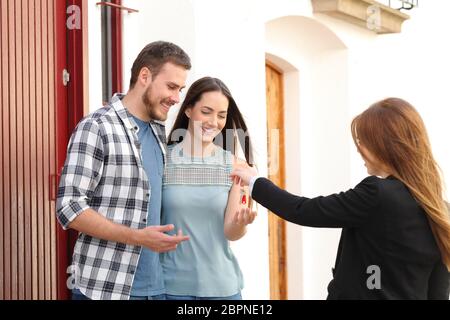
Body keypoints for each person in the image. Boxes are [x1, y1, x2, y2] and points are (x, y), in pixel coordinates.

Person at [231, 98, 450, 299]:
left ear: (384, 145)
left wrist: (254, 181)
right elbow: (438, 293)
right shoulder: (441, 209)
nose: (359, 149)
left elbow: (304, 210)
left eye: (363, 141)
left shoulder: (377, 193)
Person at [56, 41, 191, 300]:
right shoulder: (97, 126)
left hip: (157, 290)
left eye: (180, 89)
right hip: (105, 289)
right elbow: (69, 207)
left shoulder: (159, 132)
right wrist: (137, 237)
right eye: (172, 87)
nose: (176, 98)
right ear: (144, 76)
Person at [161, 77, 257, 300]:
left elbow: (231, 231)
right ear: (188, 110)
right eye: (206, 111)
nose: (214, 121)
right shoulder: (163, 160)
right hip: (171, 288)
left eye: (221, 115)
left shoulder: (236, 166)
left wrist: (241, 223)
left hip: (222, 290)